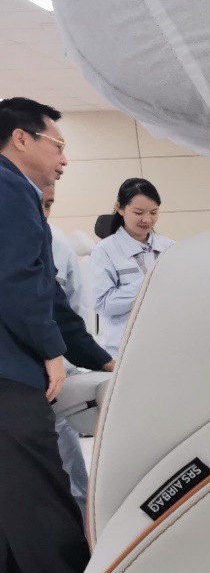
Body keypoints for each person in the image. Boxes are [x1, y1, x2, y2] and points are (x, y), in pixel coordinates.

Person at [0, 97, 115, 573]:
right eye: (58, 145)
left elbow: (50, 300)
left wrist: (104, 360)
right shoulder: (9, 188)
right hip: (9, 378)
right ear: (21, 139)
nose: (64, 159)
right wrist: (51, 353)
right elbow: (17, 283)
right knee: (44, 501)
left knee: (14, 508)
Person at [42, 182, 97, 512]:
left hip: (55, 372)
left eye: (48, 204)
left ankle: (83, 522)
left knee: (69, 464)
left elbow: (74, 310)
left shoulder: (57, 242)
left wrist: (73, 361)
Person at [92, 177, 173, 357]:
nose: (147, 219)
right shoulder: (104, 251)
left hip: (167, 343)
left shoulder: (170, 248)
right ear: (120, 208)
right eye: (138, 212)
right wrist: (150, 281)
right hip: (124, 349)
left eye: (154, 212)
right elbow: (103, 304)